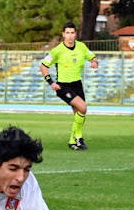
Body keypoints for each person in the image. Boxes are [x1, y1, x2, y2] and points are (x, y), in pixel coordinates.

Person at [40, 22, 98, 150]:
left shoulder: (81, 47)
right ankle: (79, 138)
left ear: (75, 34)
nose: (70, 36)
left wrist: (94, 62)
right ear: (63, 34)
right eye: (67, 33)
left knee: (79, 113)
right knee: (83, 108)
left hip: (77, 84)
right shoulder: (57, 50)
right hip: (63, 86)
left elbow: (92, 57)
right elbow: (43, 66)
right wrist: (51, 82)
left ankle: (73, 142)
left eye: (72, 33)